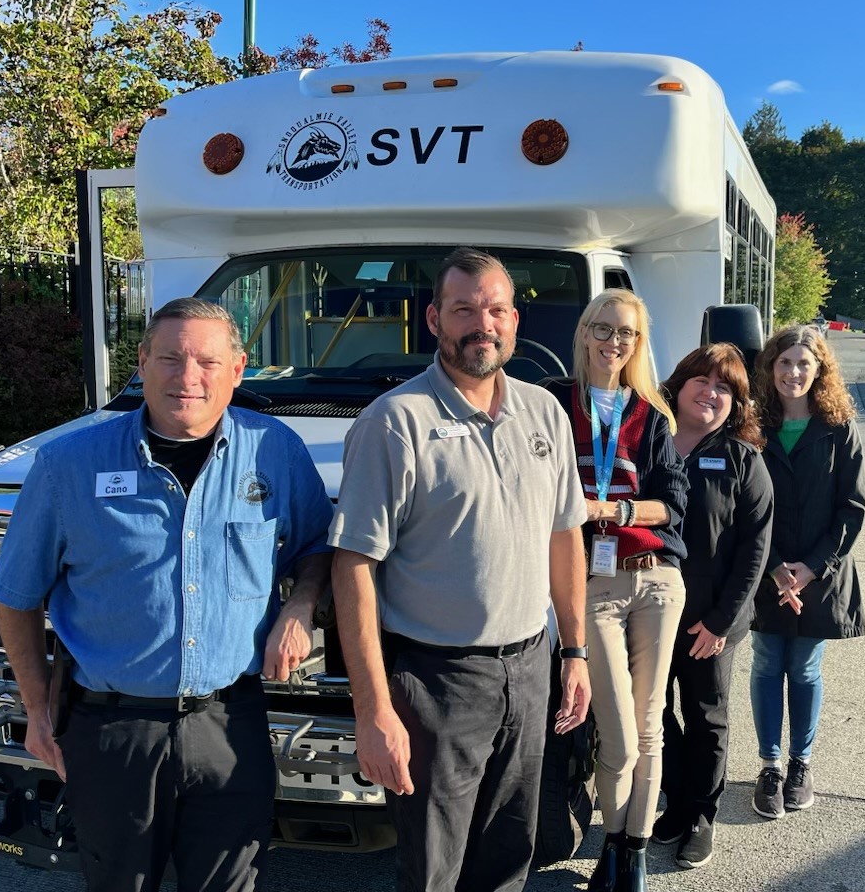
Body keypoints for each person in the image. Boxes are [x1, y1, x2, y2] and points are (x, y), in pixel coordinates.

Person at [0, 297, 335, 892]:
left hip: (232, 721)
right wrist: (37, 706)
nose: (188, 377)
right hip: (112, 732)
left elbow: (315, 549)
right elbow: (16, 595)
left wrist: (301, 605)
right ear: (143, 362)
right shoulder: (67, 465)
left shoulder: (274, 450)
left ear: (238, 368)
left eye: (207, 360)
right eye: (170, 358)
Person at [328, 247, 590, 892]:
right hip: (435, 680)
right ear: (433, 320)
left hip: (528, 669)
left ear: (515, 319)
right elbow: (353, 566)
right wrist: (373, 709)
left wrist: (575, 651)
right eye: (464, 309)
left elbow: (565, 538)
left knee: (509, 852)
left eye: (496, 308)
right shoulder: (395, 422)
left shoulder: (545, 413)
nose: (484, 324)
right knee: (433, 867)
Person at [547, 289, 688, 892]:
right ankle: (613, 838)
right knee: (621, 735)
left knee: (651, 723)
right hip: (592, 584)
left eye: (626, 333)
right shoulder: (553, 404)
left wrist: (609, 505)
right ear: (583, 334)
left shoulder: (653, 415)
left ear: (638, 342)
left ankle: (628, 856)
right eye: (603, 329)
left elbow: (673, 506)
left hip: (655, 580)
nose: (613, 342)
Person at [652, 343, 773, 869]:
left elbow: (755, 550)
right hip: (646, 617)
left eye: (725, 388)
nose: (711, 392)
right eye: (702, 380)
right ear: (678, 386)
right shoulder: (645, 446)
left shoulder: (744, 462)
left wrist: (721, 621)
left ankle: (702, 814)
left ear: (736, 404)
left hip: (709, 622)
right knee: (653, 715)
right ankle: (674, 803)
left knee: (705, 717)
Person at [748, 324, 865, 820]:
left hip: (821, 572)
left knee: (804, 667)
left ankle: (800, 762)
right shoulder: (752, 424)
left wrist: (812, 568)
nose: (793, 372)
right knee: (767, 663)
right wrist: (776, 568)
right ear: (771, 367)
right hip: (764, 570)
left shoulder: (838, 427)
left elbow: (853, 506)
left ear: (820, 370)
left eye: (804, 363)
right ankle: (770, 766)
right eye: (785, 362)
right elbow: (743, 505)